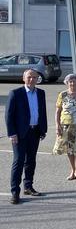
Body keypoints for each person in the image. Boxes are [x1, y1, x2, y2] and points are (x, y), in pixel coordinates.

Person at [5, 69, 47, 204]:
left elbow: (42, 112)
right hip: (19, 134)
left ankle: (28, 187)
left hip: (34, 132)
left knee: (31, 161)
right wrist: (12, 133)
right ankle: (15, 192)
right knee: (18, 161)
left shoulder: (41, 93)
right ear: (24, 78)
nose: (32, 80)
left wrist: (43, 129)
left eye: (34, 77)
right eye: (29, 77)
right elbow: (8, 115)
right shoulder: (15, 93)